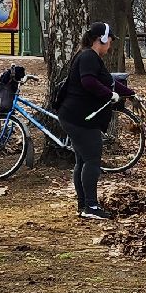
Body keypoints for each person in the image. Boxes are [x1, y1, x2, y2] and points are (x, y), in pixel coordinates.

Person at [56, 22, 127, 219]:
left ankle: (83, 205)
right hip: (80, 118)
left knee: (82, 161)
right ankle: (91, 207)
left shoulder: (89, 56)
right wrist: (109, 95)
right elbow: (88, 82)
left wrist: (131, 94)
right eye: (109, 41)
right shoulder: (88, 56)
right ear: (101, 40)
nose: (110, 46)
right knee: (92, 161)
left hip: (74, 116)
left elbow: (109, 81)